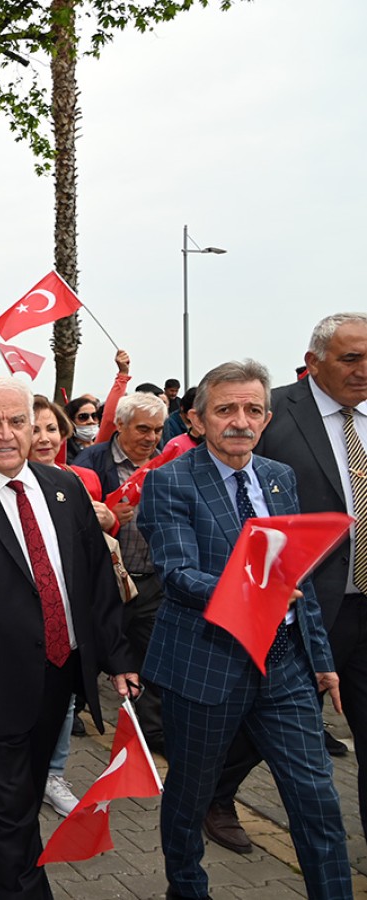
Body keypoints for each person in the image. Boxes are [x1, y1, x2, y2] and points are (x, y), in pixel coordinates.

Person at [0, 377, 136, 899]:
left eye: (18, 422)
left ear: (36, 428)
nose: (7, 434)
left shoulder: (64, 490)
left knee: (22, 792)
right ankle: (19, 885)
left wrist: (119, 657)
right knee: (13, 809)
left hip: (59, 674)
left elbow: (95, 583)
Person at [137, 359, 352, 900]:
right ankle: (186, 888)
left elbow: (296, 576)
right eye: (226, 409)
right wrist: (254, 590)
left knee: (317, 798)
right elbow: (180, 575)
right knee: (191, 794)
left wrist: (321, 659)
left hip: (283, 665)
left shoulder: (280, 479)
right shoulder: (169, 482)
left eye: (252, 409)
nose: (240, 420)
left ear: (266, 417)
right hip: (207, 664)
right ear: (197, 420)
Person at [205, 314, 367, 853]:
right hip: (303, 605)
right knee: (267, 721)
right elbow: (224, 491)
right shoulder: (270, 412)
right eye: (350, 359)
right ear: (315, 361)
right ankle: (214, 793)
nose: (363, 370)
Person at [29, 396, 120, 819]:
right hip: (25, 625)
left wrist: (108, 518)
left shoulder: (80, 480)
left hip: (71, 616)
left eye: (52, 428)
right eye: (35, 428)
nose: (44, 437)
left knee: (66, 701)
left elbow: (99, 548)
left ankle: (54, 773)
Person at [73, 390, 169, 751]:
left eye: (158, 430)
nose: (151, 438)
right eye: (143, 429)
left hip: (151, 580)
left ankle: (152, 731)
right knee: (93, 652)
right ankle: (75, 708)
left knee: (149, 659)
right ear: (121, 425)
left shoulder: (164, 464)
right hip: (106, 581)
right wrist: (105, 517)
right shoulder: (92, 462)